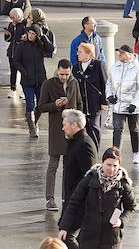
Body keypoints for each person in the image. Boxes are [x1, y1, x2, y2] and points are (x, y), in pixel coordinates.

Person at [58, 148, 136, 249]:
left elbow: (131, 208)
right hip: (88, 237)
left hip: (111, 239)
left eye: (115, 166)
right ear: (102, 163)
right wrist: (64, 227)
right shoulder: (89, 179)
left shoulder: (123, 184)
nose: (111, 169)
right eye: (108, 164)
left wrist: (121, 221)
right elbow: (73, 203)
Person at [38, 59, 84, 211]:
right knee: (53, 164)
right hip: (57, 129)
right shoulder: (48, 84)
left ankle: (67, 196)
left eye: (67, 74)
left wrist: (80, 125)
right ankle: (50, 198)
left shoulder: (74, 82)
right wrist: (55, 105)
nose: (64, 77)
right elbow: (41, 107)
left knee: (69, 166)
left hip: (72, 130)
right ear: (57, 70)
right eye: (62, 74)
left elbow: (79, 103)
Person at [107, 45, 139, 165]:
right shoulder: (115, 67)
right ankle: (115, 153)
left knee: (134, 129)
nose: (119, 55)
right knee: (117, 129)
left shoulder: (138, 69)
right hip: (118, 104)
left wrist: (135, 103)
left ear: (129, 54)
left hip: (132, 105)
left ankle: (136, 153)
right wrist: (109, 96)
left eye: (122, 53)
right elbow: (109, 84)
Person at [13, 23, 54, 138]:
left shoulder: (40, 45)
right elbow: (15, 61)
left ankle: (33, 121)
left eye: (33, 34)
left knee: (40, 105)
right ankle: (32, 129)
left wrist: (43, 37)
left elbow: (51, 50)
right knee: (30, 104)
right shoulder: (22, 45)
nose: (30, 35)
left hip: (40, 79)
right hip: (27, 81)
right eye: (29, 33)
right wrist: (24, 71)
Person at [61, 109, 97, 217]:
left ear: (74, 125)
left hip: (78, 204)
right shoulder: (75, 141)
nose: (63, 128)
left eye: (65, 125)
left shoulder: (84, 144)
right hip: (72, 199)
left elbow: (88, 175)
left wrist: (75, 197)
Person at [72, 42, 108, 149]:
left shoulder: (98, 65)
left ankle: (95, 152)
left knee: (93, 128)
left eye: (80, 52)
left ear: (89, 53)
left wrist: (104, 101)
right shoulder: (75, 68)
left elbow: (105, 84)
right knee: (80, 130)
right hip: (80, 105)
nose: (77, 54)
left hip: (94, 103)